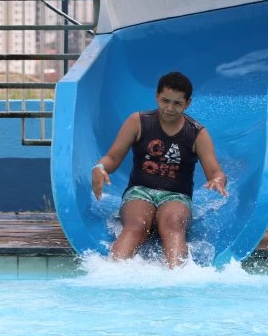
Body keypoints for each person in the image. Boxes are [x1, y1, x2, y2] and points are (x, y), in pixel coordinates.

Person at [91, 71, 228, 268]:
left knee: (173, 225)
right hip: (140, 190)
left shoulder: (197, 133)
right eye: (165, 101)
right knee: (137, 225)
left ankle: (177, 280)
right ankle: (110, 273)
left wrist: (218, 179)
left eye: (177, 103)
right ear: (156, 96)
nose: (170, 108)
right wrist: (100, 167)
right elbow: (113, 157)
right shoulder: (138, 122)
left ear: (188, 103)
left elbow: (215, 171)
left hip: (176, 195)